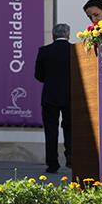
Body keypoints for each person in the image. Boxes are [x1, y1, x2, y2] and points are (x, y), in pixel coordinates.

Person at [34, 23, 72, 173]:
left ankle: (52, 163)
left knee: (51, 130)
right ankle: (70, 156)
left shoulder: (44, 51)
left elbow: (38, 75)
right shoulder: (75, 50)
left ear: (53, 35)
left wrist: (50, 80)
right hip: (71, 96)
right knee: (70, 128)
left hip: (50, 96)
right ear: (68, 35)